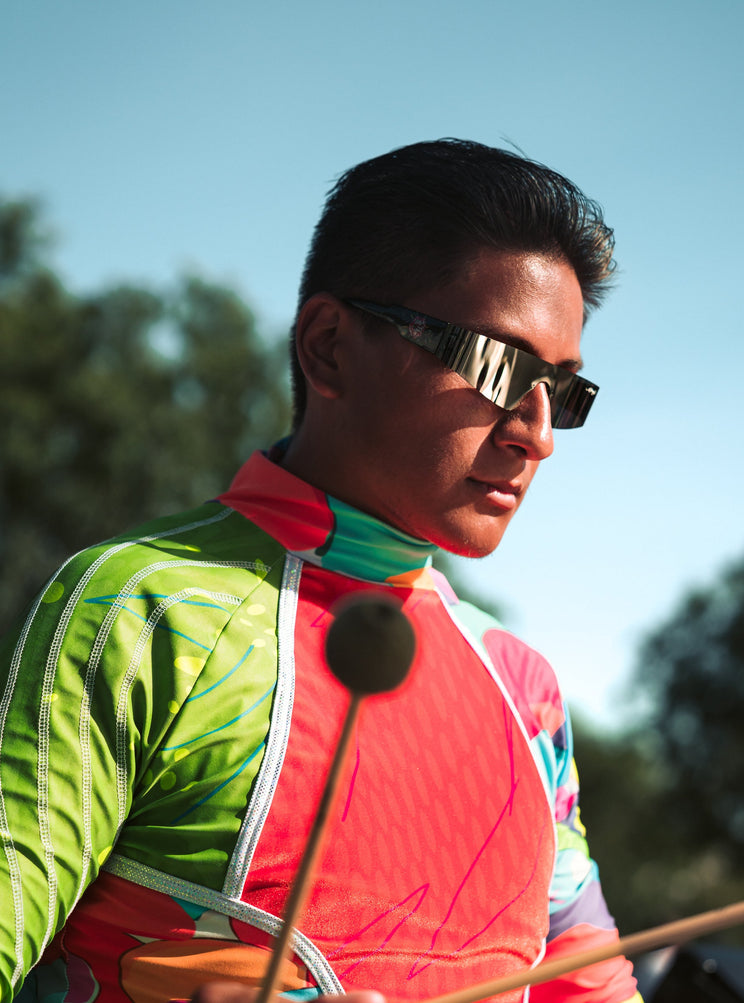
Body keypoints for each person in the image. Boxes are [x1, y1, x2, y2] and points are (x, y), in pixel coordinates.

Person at [0, 139, 641, 1003]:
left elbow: (593, 988)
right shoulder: (145, 609)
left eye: (564, 390)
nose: (538, 431)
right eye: (497, 364)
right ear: (330, 345)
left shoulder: (524, 687)